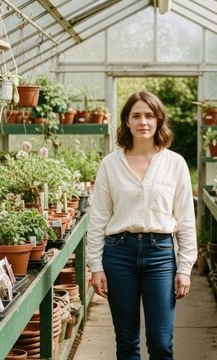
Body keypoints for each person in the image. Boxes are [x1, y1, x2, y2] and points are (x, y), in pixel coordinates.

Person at [87, 90, 197, 360]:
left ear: (159, 120)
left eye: (149, 116)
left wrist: (184, 268)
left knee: (161, 343)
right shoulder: (110, 164)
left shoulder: (175, 164)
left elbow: (185, 221)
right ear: (126, 121)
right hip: (118, 254)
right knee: (126, 342)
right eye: (136, 116)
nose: (143, 122)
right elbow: (98, 218)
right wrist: (96, 266)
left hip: (160, 255)